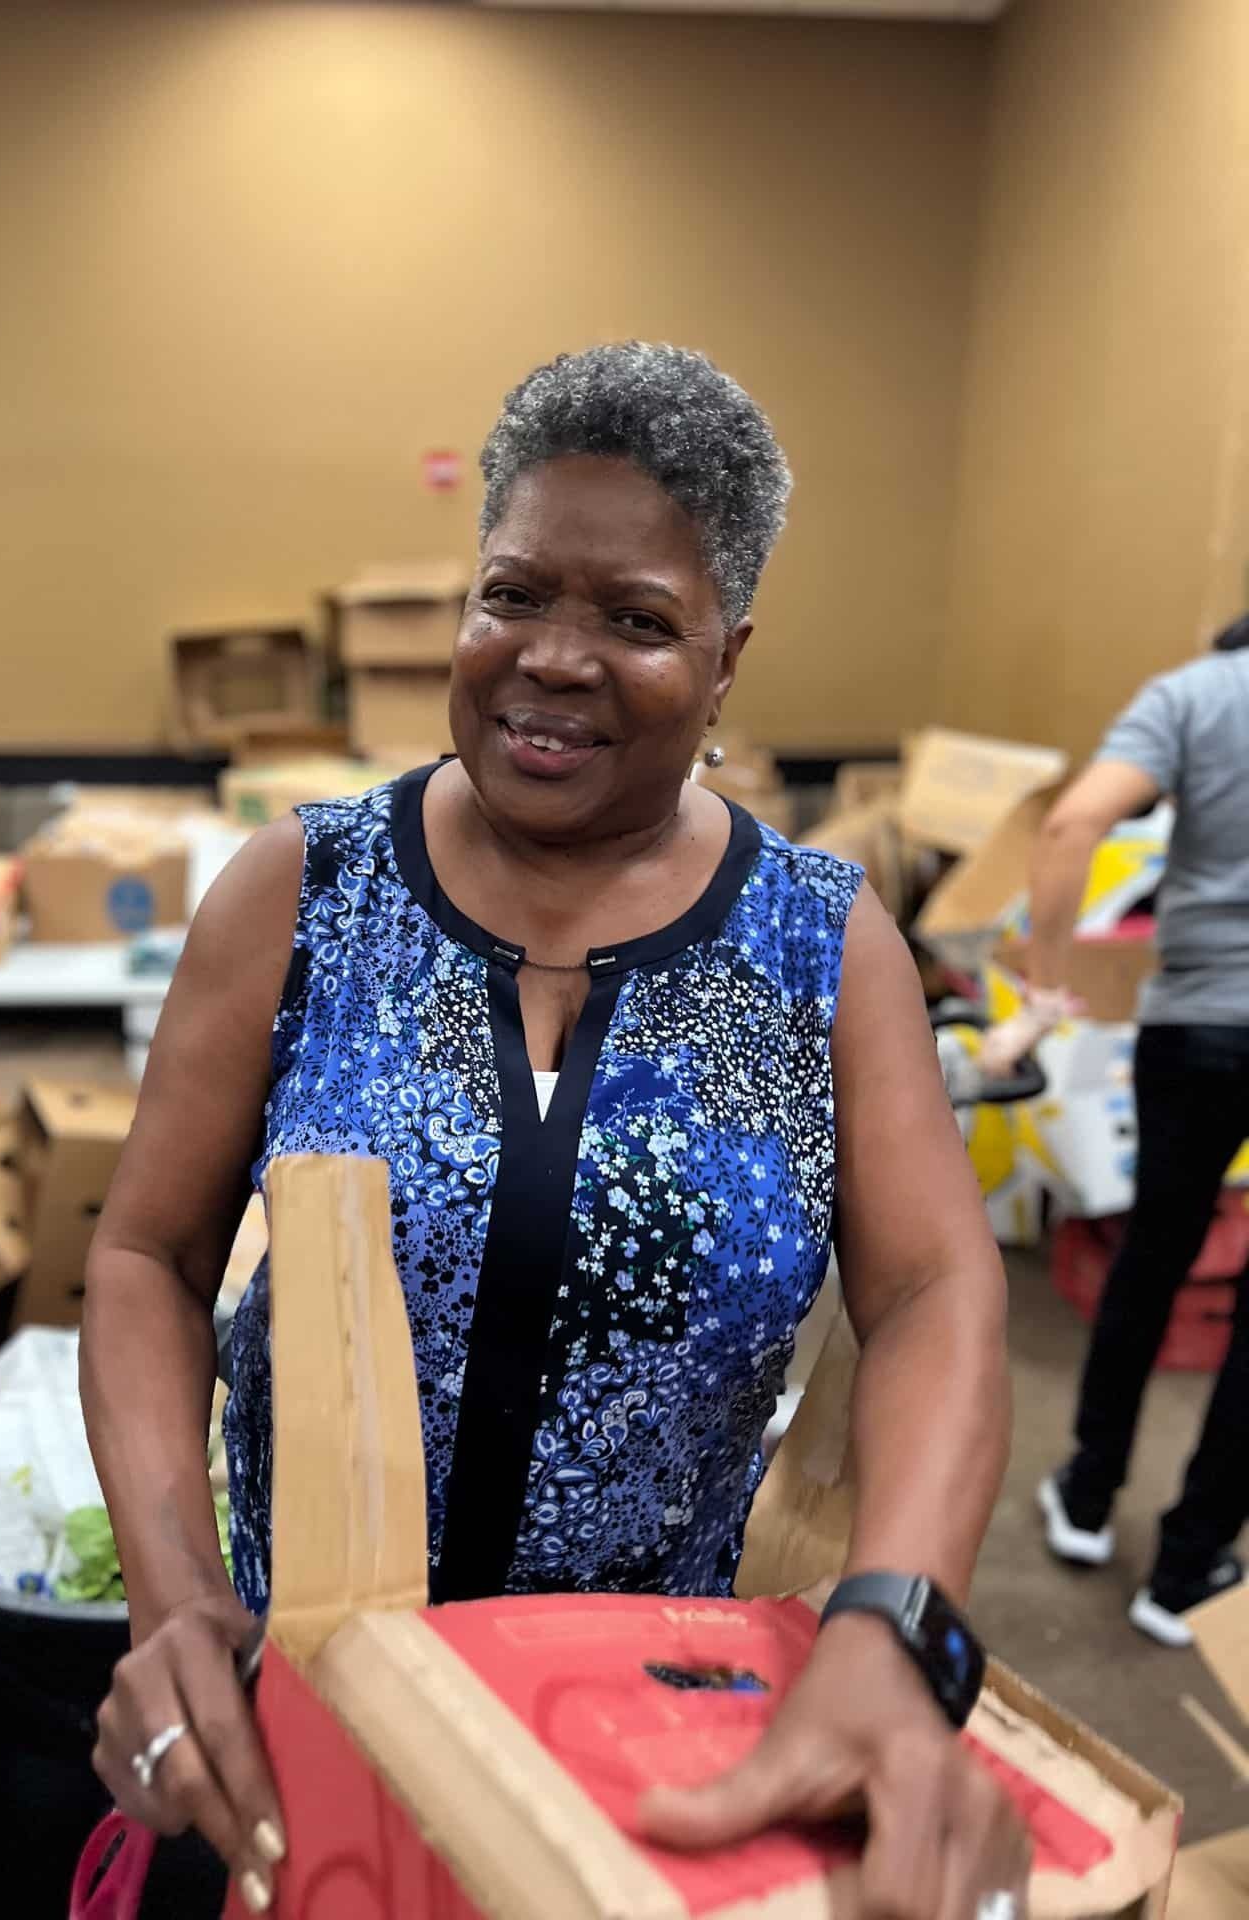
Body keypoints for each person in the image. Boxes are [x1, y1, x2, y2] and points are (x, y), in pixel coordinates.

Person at [81, 344, 1025, 1919]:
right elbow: (144, 1254)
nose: (554, 660)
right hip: (295, 1732)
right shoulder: (306, 893)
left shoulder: (817, 942)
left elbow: (935, 1290)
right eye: (514, 594)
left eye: (639, 621)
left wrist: (890, 1623)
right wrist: (175, 1605)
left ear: (729, 659)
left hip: (637, 1750)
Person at [993, 613, 1249, 1646]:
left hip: (1195, 1025)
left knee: (1153, 1254)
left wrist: (1047, 982)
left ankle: (1090, 1496)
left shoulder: (1193, 693)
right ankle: (1187, 1569)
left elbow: (1072, 824)